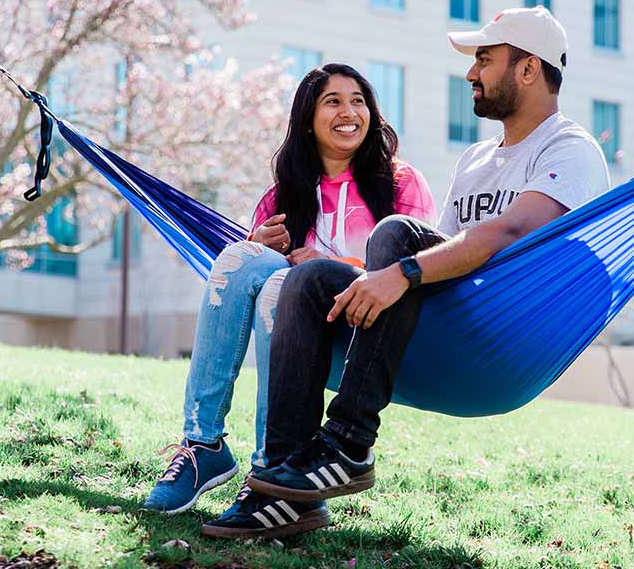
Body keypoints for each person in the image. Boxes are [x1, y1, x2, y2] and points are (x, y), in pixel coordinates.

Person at [212, 6, 611, 538]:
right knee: (307, 282)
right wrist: (371, 272)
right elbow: (441, 253)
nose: (471, 73)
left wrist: (398, 270)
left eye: (485, 60)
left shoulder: (570, 148)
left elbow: (512, 233)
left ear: (529, 69)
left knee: (397, 234)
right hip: (438, 325)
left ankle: (349, 442)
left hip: (505, 339)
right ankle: (284, 488)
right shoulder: (474, 160)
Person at [142, 63, 436, 528]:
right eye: (333, 101)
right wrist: (259, 243)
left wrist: (324, 264)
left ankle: (270, 468)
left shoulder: (401, 184)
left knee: (287, 283)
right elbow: (247, 274)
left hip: (363, 323)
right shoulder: (284, 196)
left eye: (358, 100)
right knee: (241, 258)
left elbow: (406, 270)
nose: (349, 111)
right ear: (307, 119)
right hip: (293, 326)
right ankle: (202, 444)